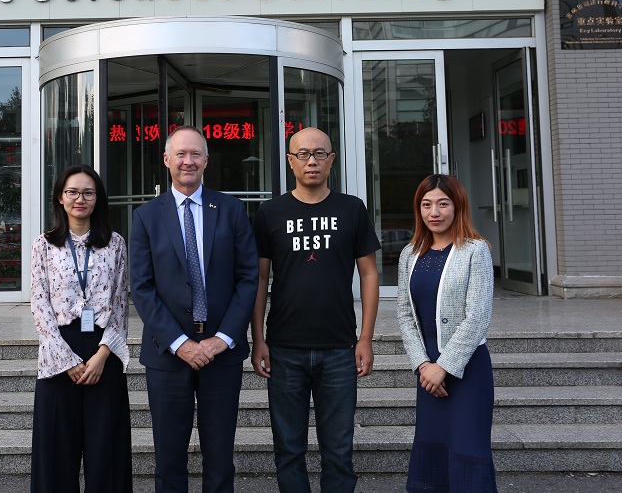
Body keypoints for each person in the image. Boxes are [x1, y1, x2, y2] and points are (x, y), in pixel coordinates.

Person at [129, 125, 259, 493]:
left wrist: (223, 339)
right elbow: (141, 287)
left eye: (195, 154)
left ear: (206, 160)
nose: (188, 161)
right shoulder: (146, 216)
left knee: (220, 457)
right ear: (166, 160)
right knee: (169, 459)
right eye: (181, 154)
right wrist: (180, 343)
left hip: (222, 354)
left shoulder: (231, 209)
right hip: (167, 355)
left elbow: (248, 278)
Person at [250, 126, 380, 493]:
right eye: (303, 154)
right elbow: (259, 279)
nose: (312, 161)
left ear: (332, 160)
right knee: (288, 450)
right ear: (290, 161)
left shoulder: (352, 209)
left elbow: (369, 274)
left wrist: (365, 339)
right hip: (283, 348)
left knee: (338, 452)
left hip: (339, 347)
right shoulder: (270, 212)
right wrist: (258, 339)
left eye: (320, 153)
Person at [29, 164, 132, 493]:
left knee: (107, 451)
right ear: (60, 198)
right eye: (72, 192)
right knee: (56, 452)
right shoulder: (44, 245)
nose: (80, 199)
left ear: (97, 199)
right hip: (59, 351)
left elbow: (120, 302)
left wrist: (103, 354)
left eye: (88, 193)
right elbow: (40, 303)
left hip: (103, 350)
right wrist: (66, 360)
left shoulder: (114, 244)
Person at [396, 174, 497, 493]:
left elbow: (478, 316)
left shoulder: (475, 250)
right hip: (427, 373)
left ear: (458, 206)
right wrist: (423, 365)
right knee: (432, 448)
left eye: (443, 204)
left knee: (468, 448)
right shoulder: (410, 253)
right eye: (426, 205)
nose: (434, 212)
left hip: (466, 369)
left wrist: (445, 366)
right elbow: (405, 313)